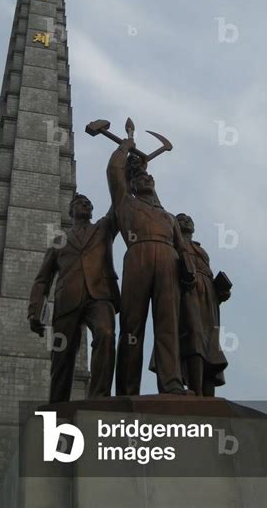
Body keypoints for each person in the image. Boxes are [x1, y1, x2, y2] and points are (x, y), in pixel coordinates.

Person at [107, 139, 186, 395]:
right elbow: (113, 172)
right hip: (138, 255)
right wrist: (125, 147)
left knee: (168, 324)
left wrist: (189, 269)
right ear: (131, 184)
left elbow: (182, 247)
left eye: (149, 178)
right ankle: (128, 389)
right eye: (139, 179)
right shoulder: (125, 203)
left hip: (169, 260)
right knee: (132, 326)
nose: (146, 180)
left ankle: (171, 382)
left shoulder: (169, 217)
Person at [28, 194, 120, 403]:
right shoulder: (59, 240)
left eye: (88, 203)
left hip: (99, 296)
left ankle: (99, 397)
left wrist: (127, 173)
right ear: (70, 211)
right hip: (67, 300)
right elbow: (43, 278)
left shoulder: (103, 228)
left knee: (106, 334)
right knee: (62, 355)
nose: (85, 204)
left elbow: (119, 198)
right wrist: (35, 310)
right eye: (80, 203)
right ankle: (57, 405)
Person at [177, 213, 231, 396]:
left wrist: (220, 291)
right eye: (181, 219)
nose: (186, 221)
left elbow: (208, 274)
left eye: (189, 219)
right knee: (194, 337)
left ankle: (208, 393)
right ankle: (195, 390)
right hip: (188, 292)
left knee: (211, 344)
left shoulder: (200, 249)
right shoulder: (173, 244)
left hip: (208, 298)